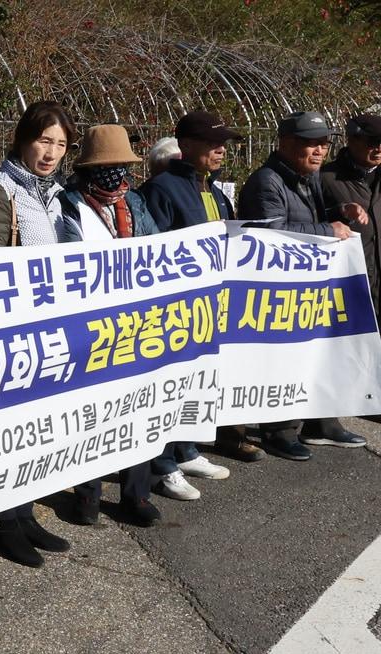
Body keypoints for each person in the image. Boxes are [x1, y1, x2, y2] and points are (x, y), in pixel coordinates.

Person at [0, 100, 76, 565]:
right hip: (14, 328)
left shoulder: (54, 192)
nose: (51, 152)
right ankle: (5, 522)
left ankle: (26, 511)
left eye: (60, 144)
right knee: (7, 429)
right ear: (22, 139)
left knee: (35, 429)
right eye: (43, 141)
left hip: (52, 325)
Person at [57, 124, 178, 526]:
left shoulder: (134, 202)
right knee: (91, 410)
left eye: (120, 167)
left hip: (138, 320)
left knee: (138, 407)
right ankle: (87, 492)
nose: (114, 175)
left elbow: (157, 246)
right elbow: (69, 260)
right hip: (92, 322)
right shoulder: (68, 204)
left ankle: (136, 493)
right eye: (105, 167)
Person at [239, 111, 370, 461]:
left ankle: (321, 422)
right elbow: (270, 233)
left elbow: (312, 216)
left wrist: (341, 210)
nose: (319, 151)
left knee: (315, 353)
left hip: (308, 286)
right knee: (282, 358)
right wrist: (330, 231)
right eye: (310, 143)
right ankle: (278, 431)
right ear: (285, 144)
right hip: (277, 290)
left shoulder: (304, 176)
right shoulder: (267, 182)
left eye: (324, 144)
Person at [142, 111, 265, 464]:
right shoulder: (162, 189)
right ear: (186, 145)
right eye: (212, 143)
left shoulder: (210, 186)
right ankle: (165, 460)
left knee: (202, 379)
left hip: (215, 302)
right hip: (180, 304)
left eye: (223, 143)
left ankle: (188, 449)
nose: (221, 149)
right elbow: (156, 248)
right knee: (175, 381)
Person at [320, 113, 381, 425]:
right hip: (346, 273)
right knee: (341, 338)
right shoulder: (328, 177)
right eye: (373, 142)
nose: (380, 149)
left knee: (377, 335)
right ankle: (332, 401)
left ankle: (371, 395)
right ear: (352, 140)